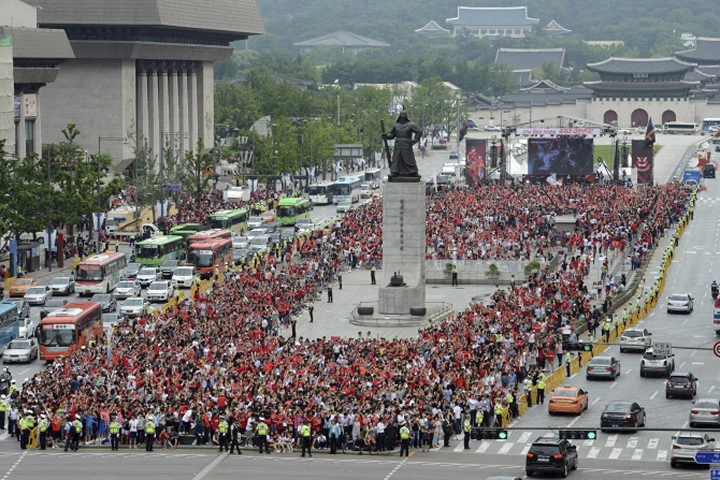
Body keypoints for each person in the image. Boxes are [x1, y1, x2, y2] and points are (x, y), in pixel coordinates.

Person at [382, 111, 422, 178]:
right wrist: (386, 136)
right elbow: (392, 134)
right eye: (401, 117)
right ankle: (394, 171)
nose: (402, 119)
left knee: (409, 159)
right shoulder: (396, 125)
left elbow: (419, 131)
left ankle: (413, 172)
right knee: (396, 159)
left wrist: (414, 140)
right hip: (398, 145)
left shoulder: (410, 124)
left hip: (407, 144)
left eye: (404, 118)